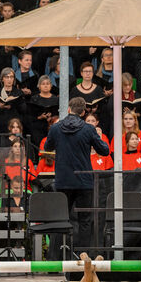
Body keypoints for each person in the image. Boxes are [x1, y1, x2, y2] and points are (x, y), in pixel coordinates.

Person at [44, 97, 109, 258]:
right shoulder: (88, 129)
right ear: (83, 112)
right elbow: (105, 151)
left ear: (68, 110)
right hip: (84, 181)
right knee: (85, 221)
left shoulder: (56, 128)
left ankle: (56, 258)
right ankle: (83, 255)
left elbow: (47, 147)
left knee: (60, 219)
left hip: (63, 181)